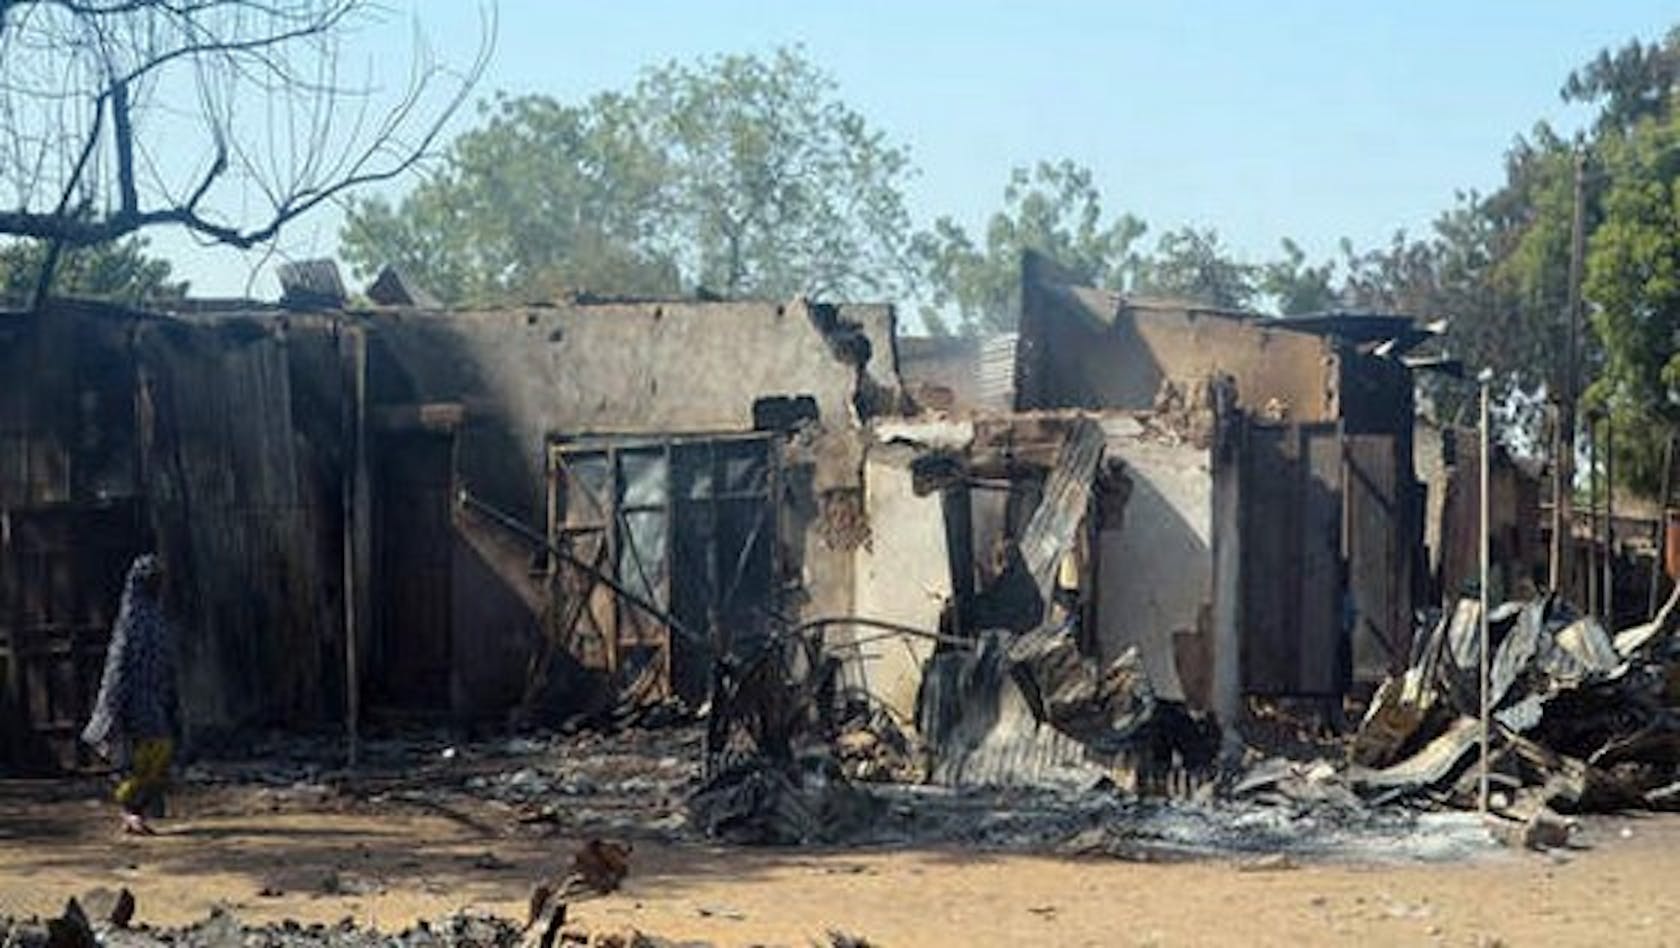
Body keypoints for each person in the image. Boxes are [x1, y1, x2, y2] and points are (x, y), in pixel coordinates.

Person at [81, 554, 179, 835]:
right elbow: (118, 664)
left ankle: (139, 810)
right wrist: (112, 704)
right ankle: (130, 809)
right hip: (134, 698)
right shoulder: (131, 619)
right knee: (149, 752)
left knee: (156, 752)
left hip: (154, 696)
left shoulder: (155, 615)